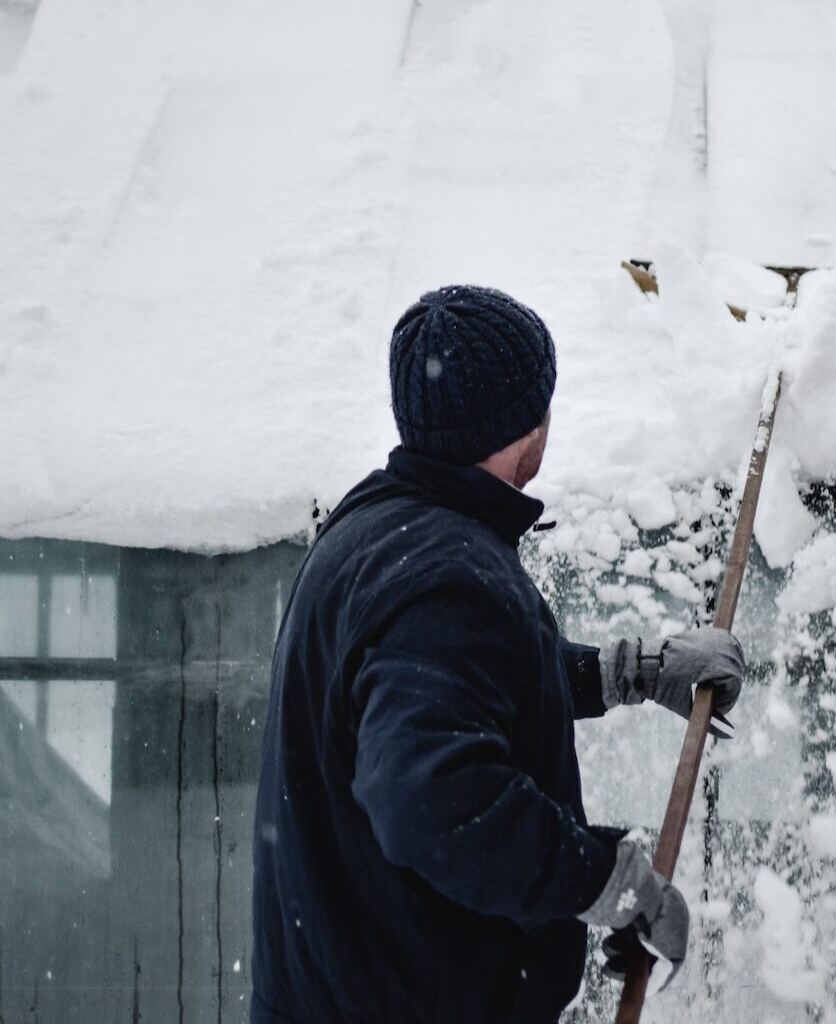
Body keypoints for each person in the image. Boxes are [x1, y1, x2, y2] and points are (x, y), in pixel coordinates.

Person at [251, 285, 745, 1024]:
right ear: (528, 424)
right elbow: (434, 801)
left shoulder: (376, 532)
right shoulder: (446, 573)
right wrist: (603, 883)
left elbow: (466, 684)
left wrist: (630, 672)